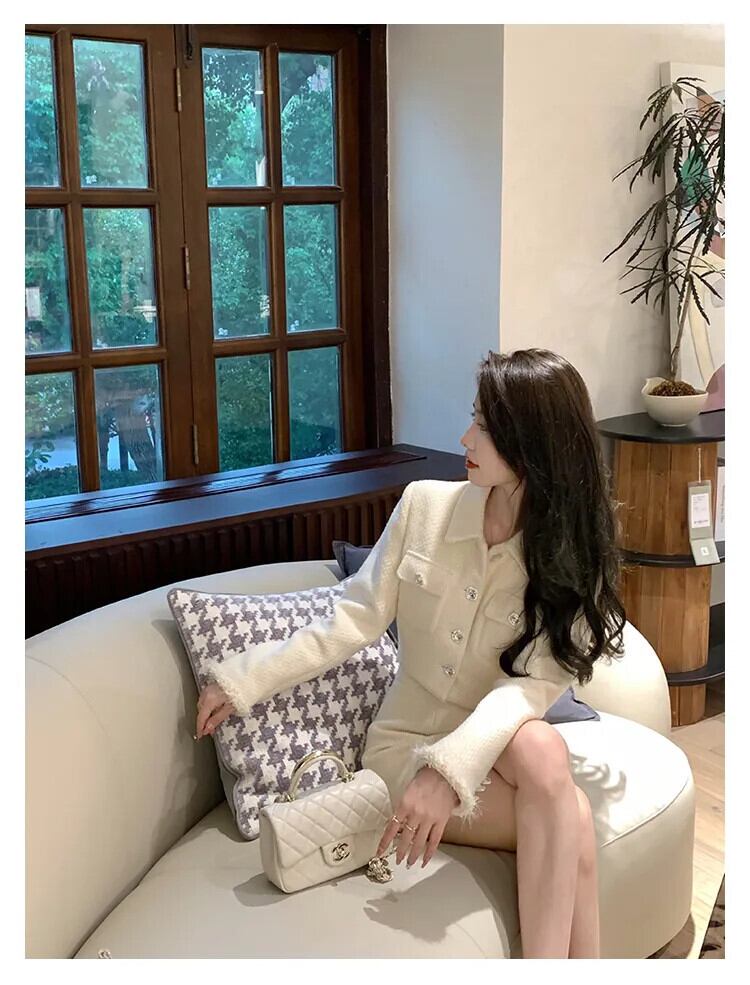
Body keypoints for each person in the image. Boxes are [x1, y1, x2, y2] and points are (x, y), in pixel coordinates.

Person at [195, 348, 626, 958]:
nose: (465, 437)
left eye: (484, 426)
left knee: (540, 742)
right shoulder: (425, 506)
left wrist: (451, 772)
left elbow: (529, 691)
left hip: (494, 747)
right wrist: (243, 680)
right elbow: (353, 615)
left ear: (532, 445)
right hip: (404, 747)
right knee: (572, 814)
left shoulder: (568, 557)